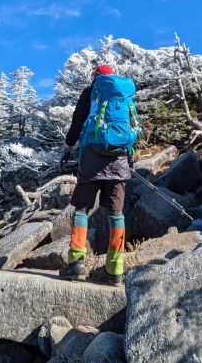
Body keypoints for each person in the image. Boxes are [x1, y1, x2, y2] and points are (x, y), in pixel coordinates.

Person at [58, 64, 134, 286]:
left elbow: (79, 118)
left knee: (81, 209)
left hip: (91, 157)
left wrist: (68, 145)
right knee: (116, 214)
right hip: (119, 160)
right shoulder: (124, 94)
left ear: (96, 78)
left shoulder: (92, 91)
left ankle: (76, 263)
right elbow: (131, 125)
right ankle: (115, 270)